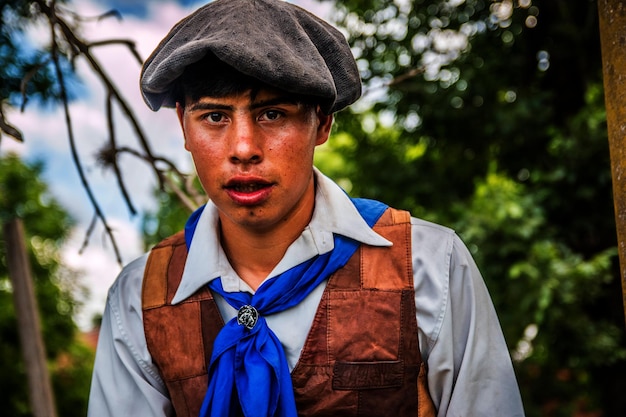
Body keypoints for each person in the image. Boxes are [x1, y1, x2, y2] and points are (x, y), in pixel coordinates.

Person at [87, 0, 525, 416]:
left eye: (273, 114)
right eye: (215, 117)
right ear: (183, 124)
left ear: (323, 123)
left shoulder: (429, 265)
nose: (243, 149)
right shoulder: (138, 299)